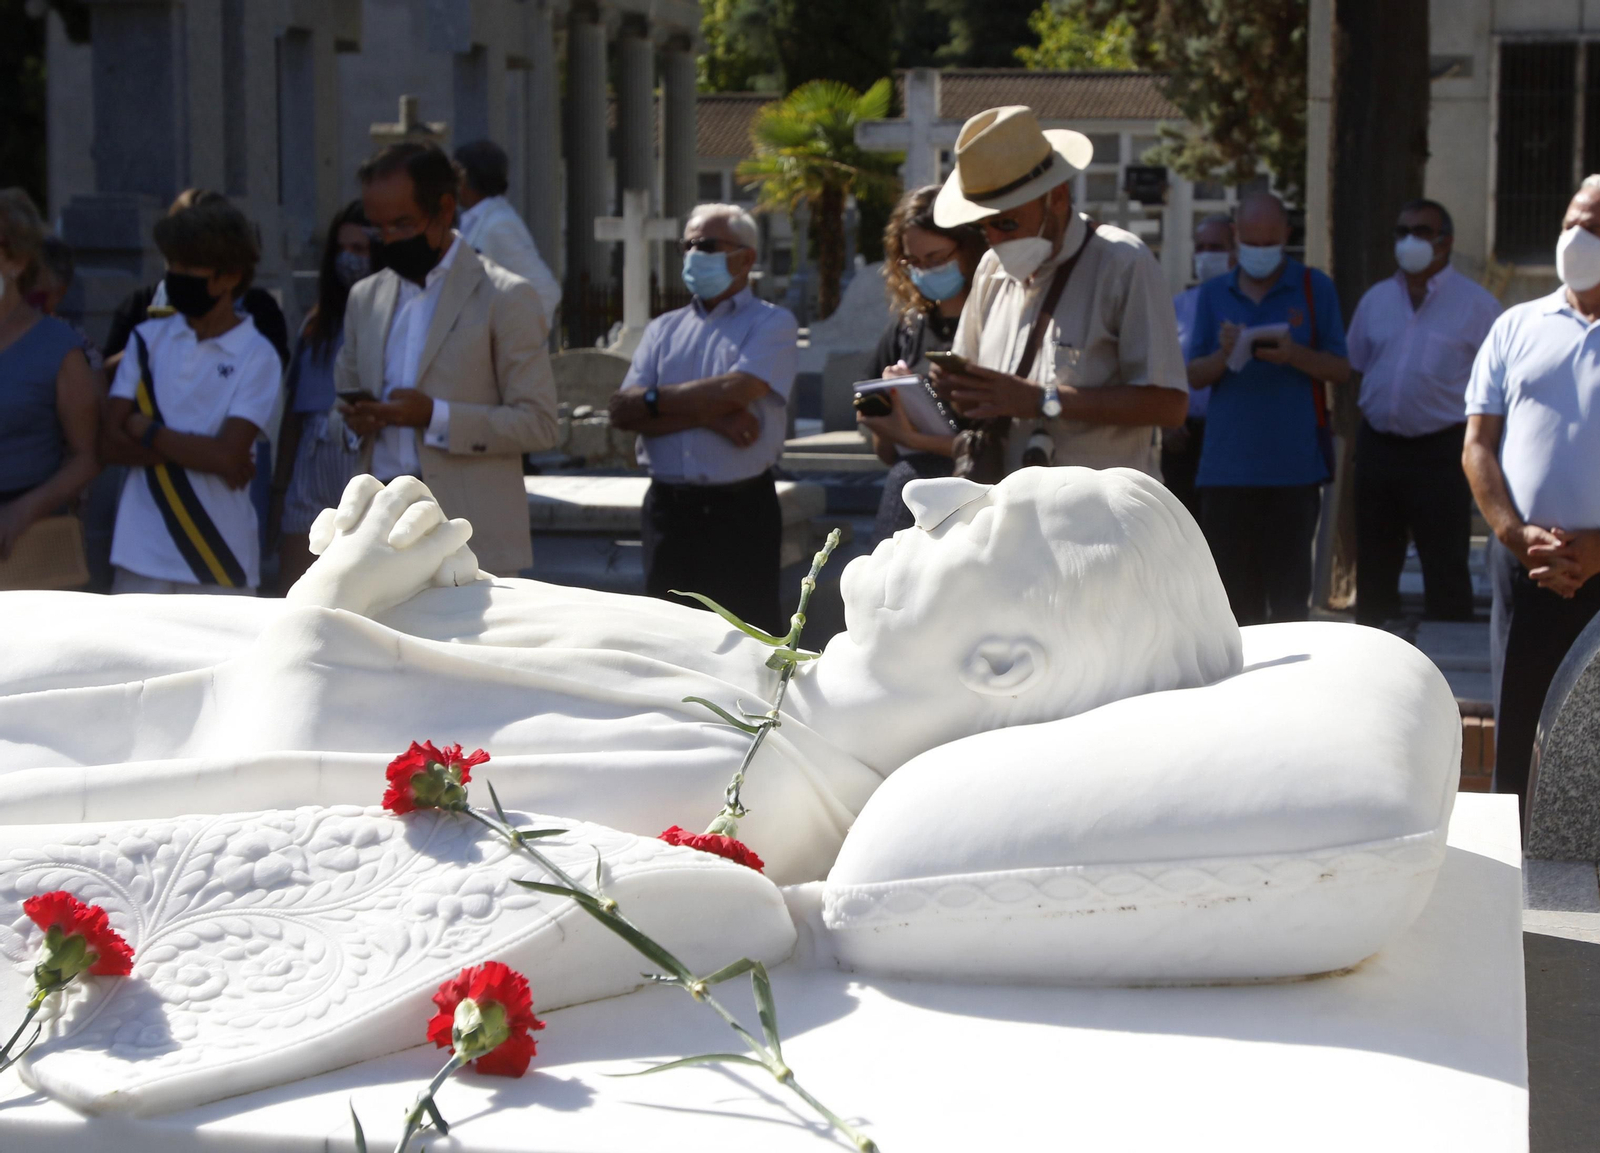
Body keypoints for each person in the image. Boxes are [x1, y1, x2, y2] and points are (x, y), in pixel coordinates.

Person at [0, 466, 1242, 884]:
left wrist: (333, 600)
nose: (928, 493)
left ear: (1002, 662)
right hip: (192, 649)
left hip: (126, 713)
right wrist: (426, 568)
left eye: (979, 520)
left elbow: (295, 794)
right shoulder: (777, 687)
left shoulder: (738, 787)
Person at [925, 106, 1188, 477]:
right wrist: (955, 387)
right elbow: (977, 398)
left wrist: (1043, 400)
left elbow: (1169, 406)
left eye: (1007, 223)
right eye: (984, 227)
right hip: (1006, 502)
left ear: (1058, 197)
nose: (995, 239)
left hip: (1097, 506)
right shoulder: (990, 268)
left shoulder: (1123, 263)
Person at [337, 141, 560, 578]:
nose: (390, 240)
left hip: (467, 539)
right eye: (379, 229)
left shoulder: (505, 296)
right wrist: (354, 421)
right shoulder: (365, 298)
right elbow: (339, 405)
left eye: (402, 224)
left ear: (443, 209)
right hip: (375, 535)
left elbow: (539, 423)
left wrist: (433, 416)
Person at [1464, 176, 1600, 818]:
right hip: (1528, 566)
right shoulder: (1515, 326)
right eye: (1573, 221)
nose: (1577, 238)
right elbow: (1478, 445)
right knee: (1520, 729)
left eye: (1594, 227)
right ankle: (1514, 860)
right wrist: (1514, 534)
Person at [608, 204, 799, 634]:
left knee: (746, 639)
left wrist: (657, 402)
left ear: (746, 258)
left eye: (708, 246)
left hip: (739, 511)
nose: (694, 255)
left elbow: (741, 389)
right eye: (688, 245)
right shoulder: (662, 329)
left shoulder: (771, 322)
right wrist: (715, 418)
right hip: (668, 511)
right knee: (668, 637)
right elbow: (623, 410)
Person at [99, 197, 281, 595]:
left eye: (188, 266)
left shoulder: (258, 355)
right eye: (172, 264)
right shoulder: (145, 339)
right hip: (140, 553)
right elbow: (108, 444)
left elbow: (229, 456)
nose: (175, 276)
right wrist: (204, 455)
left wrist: (144, 429)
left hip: (220, 557)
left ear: (229, 277)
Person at [1186, 191, 1352, 625]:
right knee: (1231, 607)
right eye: (1252, 242)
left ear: (1286, 235)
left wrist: (1293, 354)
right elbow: (1193, 375)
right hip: (1225, 473)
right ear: (1236, 236)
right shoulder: (1213, 293)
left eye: (1269, 242)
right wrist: (1225, 354)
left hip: (1293, 473)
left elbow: (1340, 368)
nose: (1260, 251)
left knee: (1289, 605)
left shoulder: (1314, 288)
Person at [1346, 200, 1501, 628]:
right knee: (1375, 562)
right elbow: (1356, 367)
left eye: (1421, 231)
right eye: (1402, 231)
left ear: (1445, 241)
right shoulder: (1376, 299)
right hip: (1379, 447)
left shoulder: (1478, 305)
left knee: (1445, 562)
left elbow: (1499, 384)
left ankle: (1446, 656)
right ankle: (1373, 650)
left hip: (1442, 450)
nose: (1409, 240)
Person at [859, 185, 986, 541]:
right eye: (913, 262)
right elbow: (886, 451)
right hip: (911, 494)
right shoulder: (908, 328)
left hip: (974, 501)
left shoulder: (995, 322)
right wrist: (889, 415)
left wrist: (912, 437)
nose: (926, 271)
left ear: (969, 248)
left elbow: (997, 444)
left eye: (936, 258)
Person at [271, 200, 371, 590]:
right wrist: (279, 490)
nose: (349, 259)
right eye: (342, 249)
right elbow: (295, 415)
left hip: (361, 453)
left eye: (360, 249)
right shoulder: (317, 324)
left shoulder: (392, 318)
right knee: (298, 582)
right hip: (312, 460)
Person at [0, 189, 100, 571]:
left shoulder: (58, 347)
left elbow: (88, 455)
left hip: (27, 547)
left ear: (17, 261)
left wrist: (23, 511)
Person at [102, 188, 290, 370]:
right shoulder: (139, 305)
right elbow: (107, 375)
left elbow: (272, 368)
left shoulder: (259, 308)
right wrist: (143, 351)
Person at [1163, 214, 1236, 518]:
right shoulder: (1177, 306)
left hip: (1233, 436)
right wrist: (1166, 422)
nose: (1206, 255)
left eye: (1216, 247)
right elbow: (1161, 367)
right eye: (1201, 247)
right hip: (1185, 436)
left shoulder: (1245, 304)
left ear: (1235, 251)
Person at [454, 139, 562, 328]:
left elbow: (546, 291)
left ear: (466, 177)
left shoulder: (498, 224)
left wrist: (511, 337)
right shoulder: (471, 219)